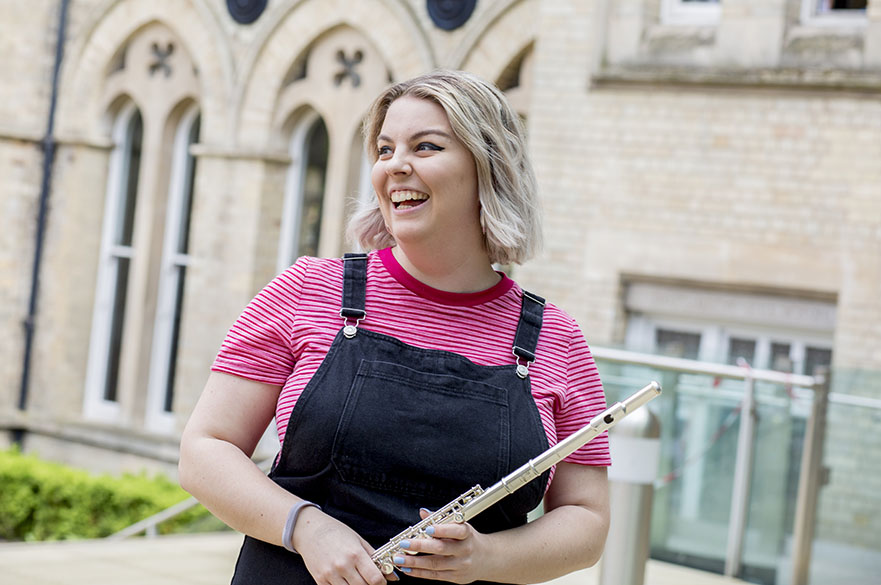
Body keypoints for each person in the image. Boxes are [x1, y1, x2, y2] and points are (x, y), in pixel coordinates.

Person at [179, 69, 610, 585]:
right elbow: (205, 449)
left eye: (426, 147)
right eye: (385, 150)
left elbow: (587, 520)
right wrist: (307, 528)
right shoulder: (307, 291)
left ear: (488, 168)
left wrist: (485, 558)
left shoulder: (556, 340)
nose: (395, 166)